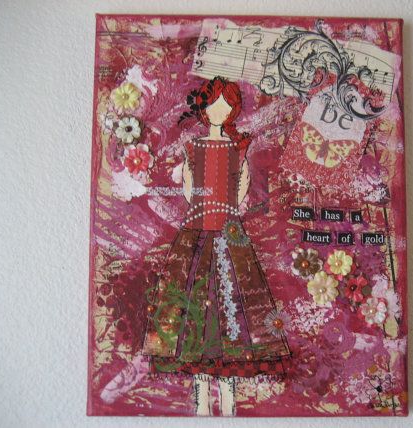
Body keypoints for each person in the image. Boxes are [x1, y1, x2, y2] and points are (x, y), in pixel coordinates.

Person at [141, 76, 291, 416]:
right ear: (204, 109)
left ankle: (228, 400)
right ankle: (201, 402)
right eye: (214, 106)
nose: (219, 112)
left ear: (233, 111)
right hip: (197, 235)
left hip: (229, 236)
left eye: (226, 107)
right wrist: (206, 206)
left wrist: (225, 208)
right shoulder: (193, 148)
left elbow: (241, 187)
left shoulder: (237, 149)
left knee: (232, 309)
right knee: (194, 311)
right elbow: (189, 187)